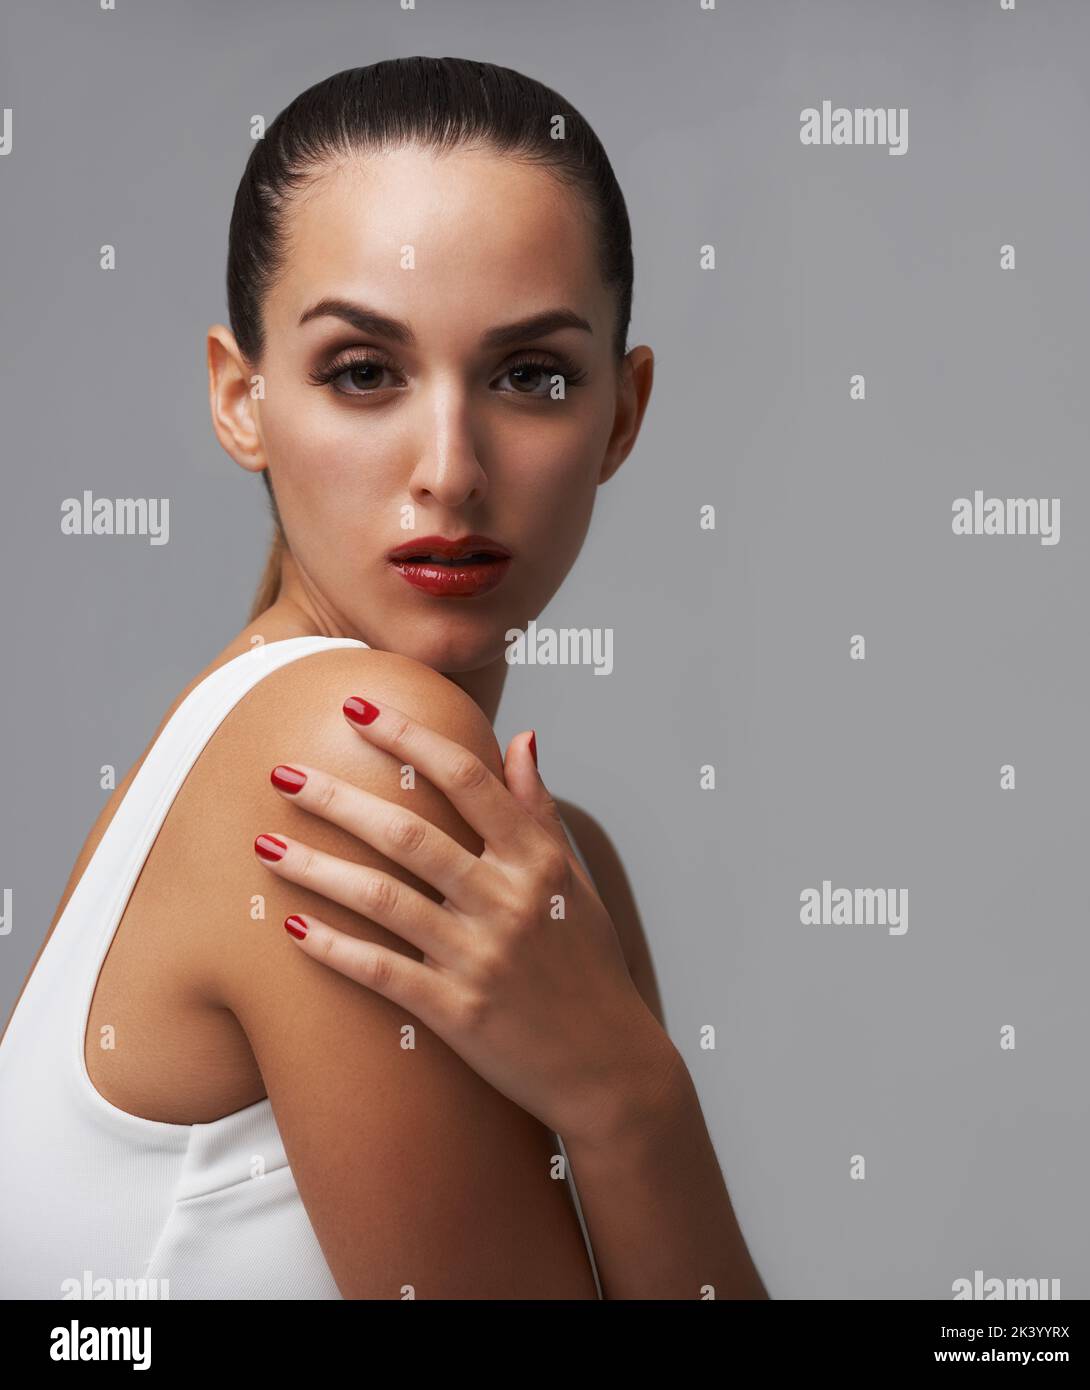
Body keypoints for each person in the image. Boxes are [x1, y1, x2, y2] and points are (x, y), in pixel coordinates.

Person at [0, 56, 767, 1300]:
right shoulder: (350, 757)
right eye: (364, 372)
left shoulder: (558, 870)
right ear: (241, 397)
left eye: (532, 375)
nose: (450, 468)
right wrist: (632, 1095)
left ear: (622, 416)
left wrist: (628, 1099)